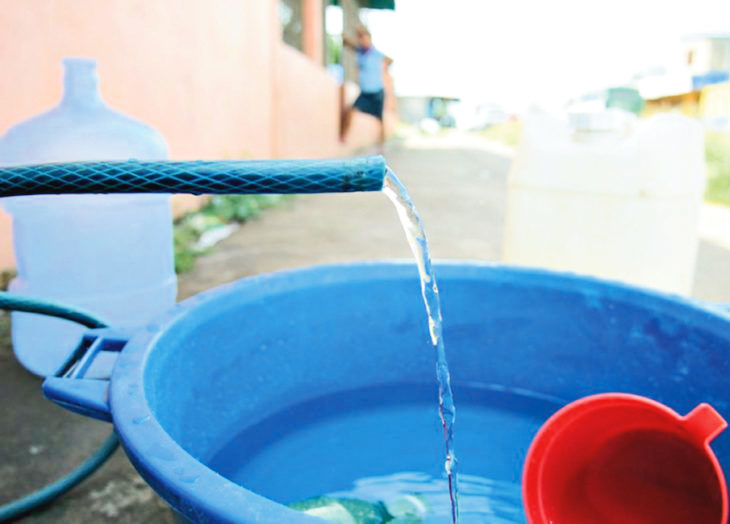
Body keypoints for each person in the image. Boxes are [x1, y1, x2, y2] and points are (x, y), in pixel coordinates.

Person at [340, 25, 393, 149]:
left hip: (377, 91)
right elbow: (349, 44)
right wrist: (347, 37)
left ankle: (382, 145)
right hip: (365, 92)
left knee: (380, 120)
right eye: (361, 39)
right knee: (351, 111)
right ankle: (343, 137)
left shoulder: (377, 54)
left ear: (370, 39)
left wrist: (384, 68)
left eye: (365, 39)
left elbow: (390, 60)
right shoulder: (360, 52)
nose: (363, 41)